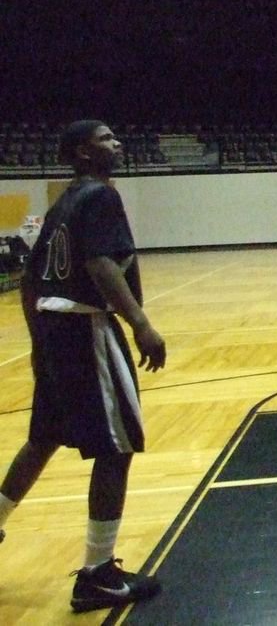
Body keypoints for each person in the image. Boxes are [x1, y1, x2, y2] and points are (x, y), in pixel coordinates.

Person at [0, 121, 167, 613]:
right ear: (81, 153)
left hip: (53, 330)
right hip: (85, 327)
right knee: (117, 447)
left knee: (45, 436)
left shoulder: (64, 202)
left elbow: (30, 282)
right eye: (105, 138)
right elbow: (100, 265)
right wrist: (140, 323)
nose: (116, 142)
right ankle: (96, 573)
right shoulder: (99, 196)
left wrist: (37, 346)